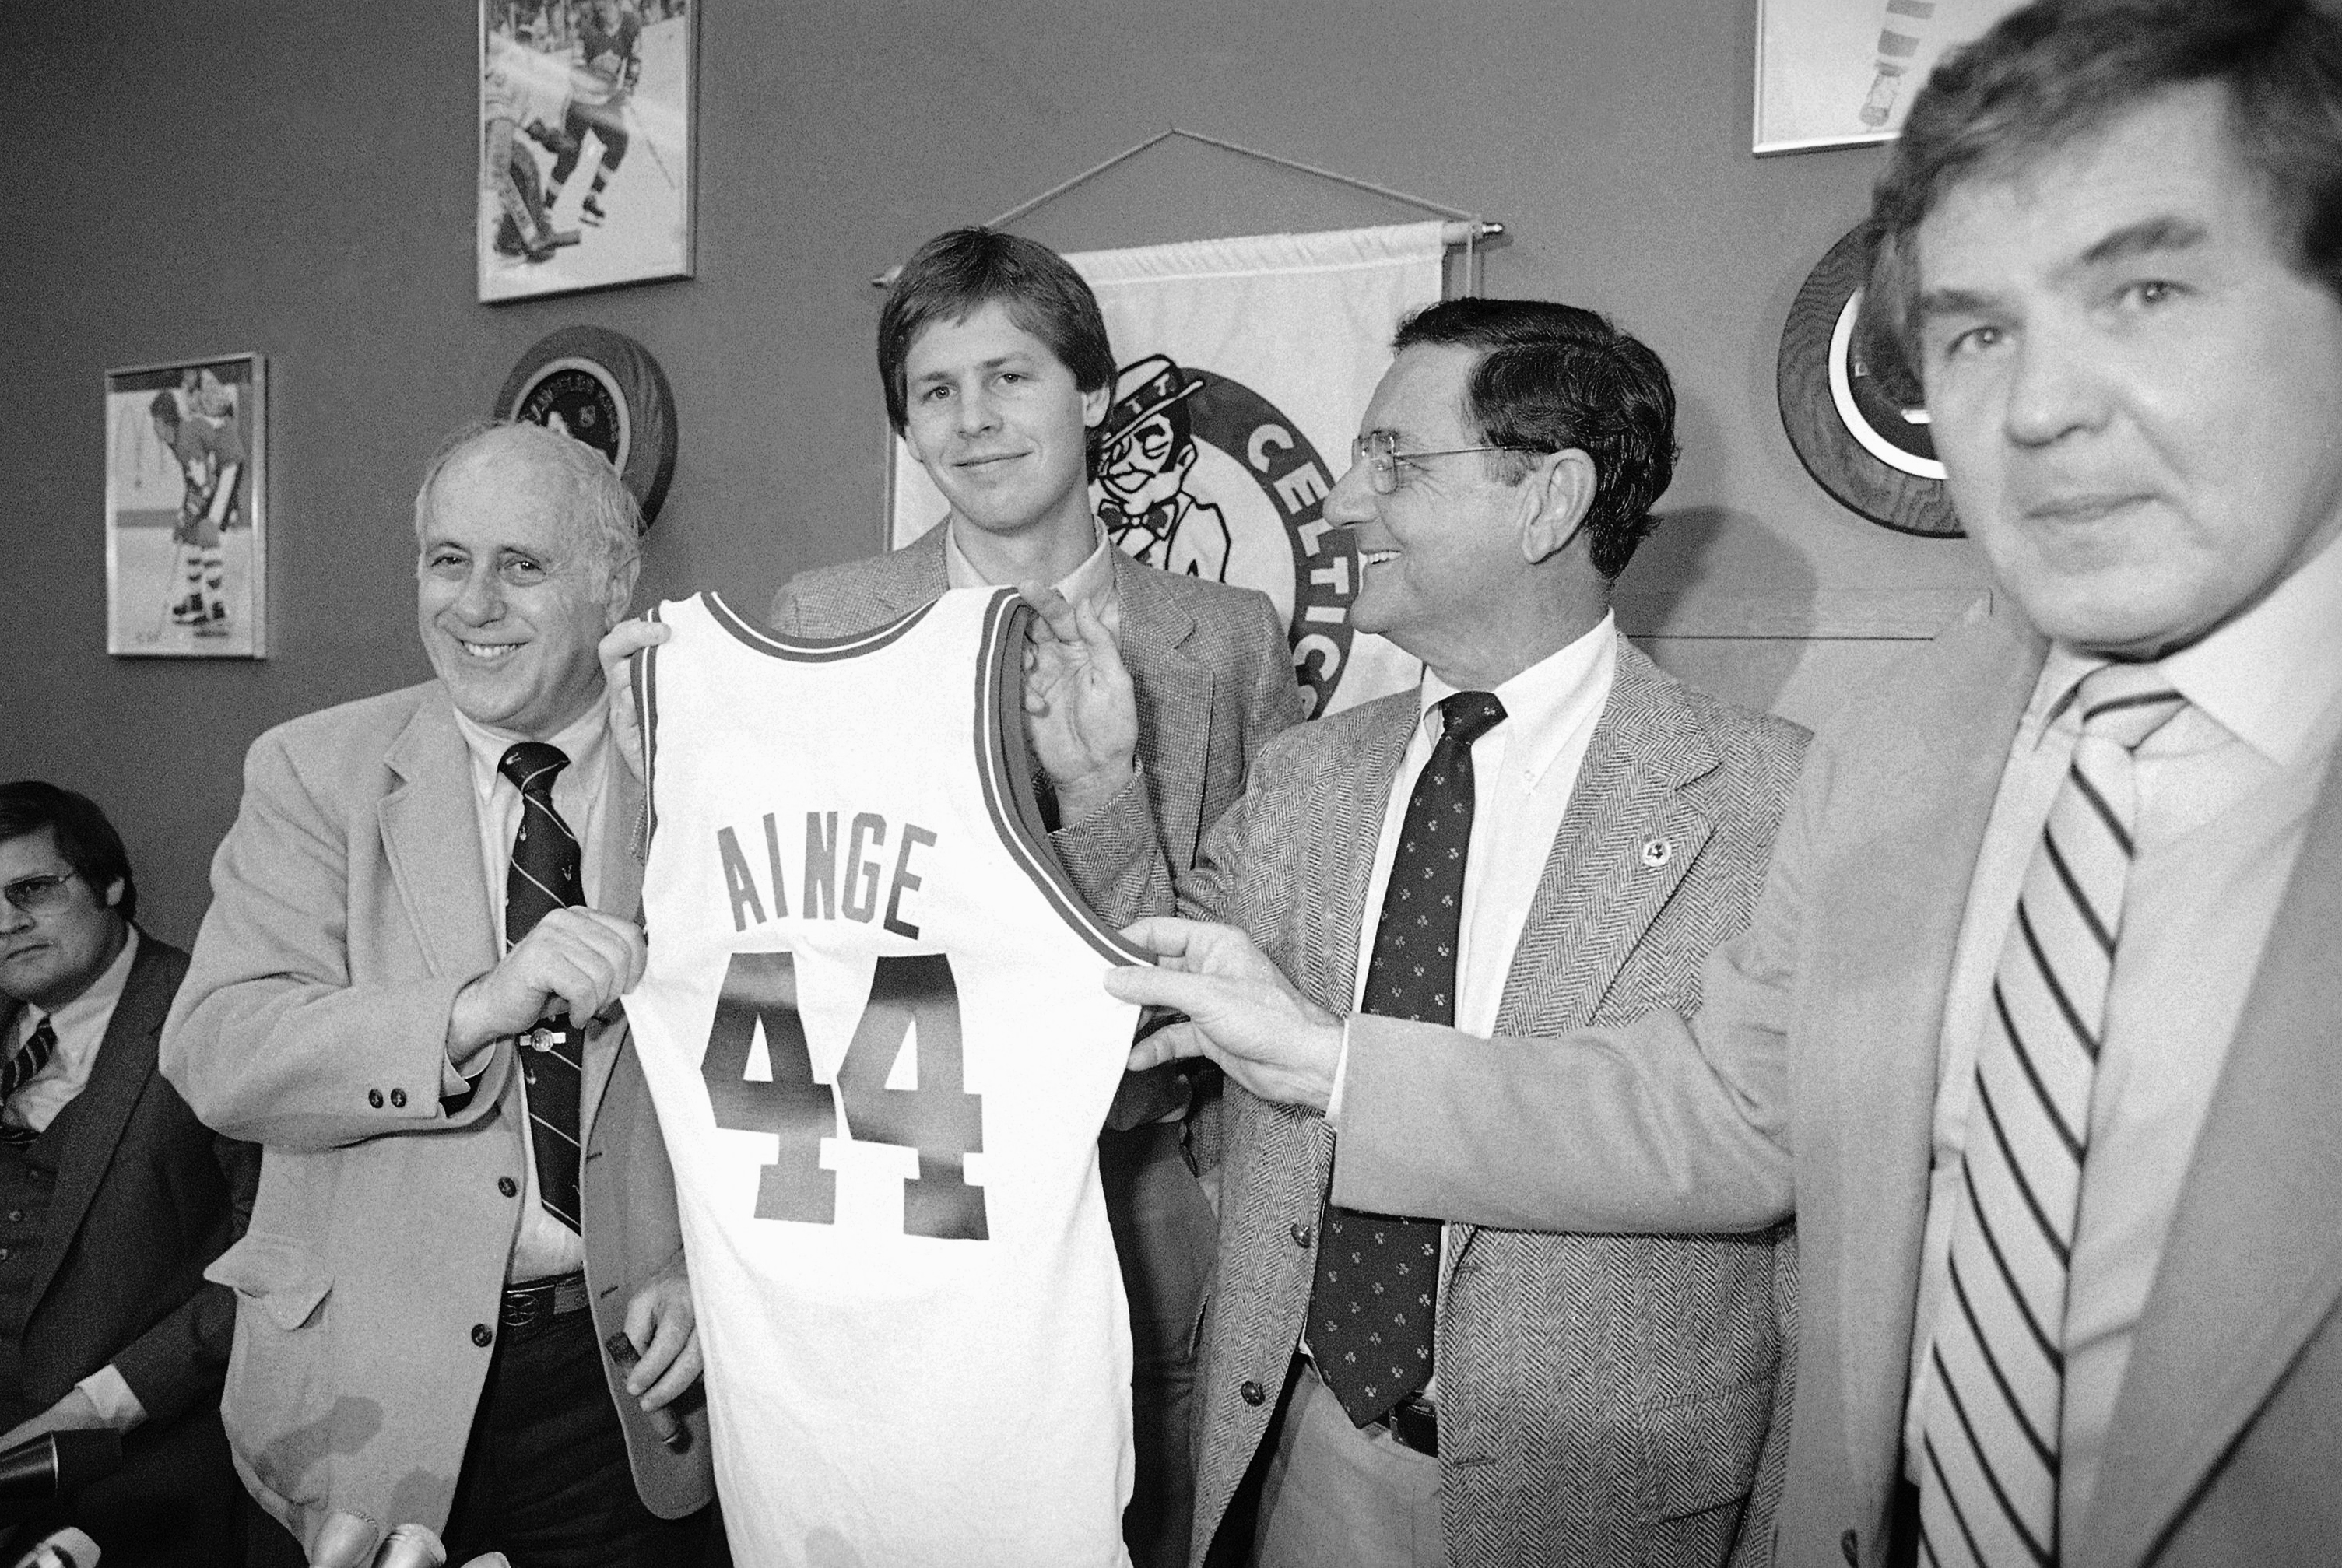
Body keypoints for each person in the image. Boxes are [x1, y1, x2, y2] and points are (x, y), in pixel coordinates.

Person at [1112, 2, 2342, 1563]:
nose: (2037, 405)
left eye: (2146, 289)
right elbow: (1729, 1107)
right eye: (1973, 331)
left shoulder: (1777, 782)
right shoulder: (1914, 748)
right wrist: (1311, 1044)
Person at [1062, 296, 1809, 1567]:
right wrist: (1095, 791)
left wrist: (1338, 1064)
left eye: (1392, 463)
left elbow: (1748, 1141)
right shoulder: (1305, 777)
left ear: (1546, 500)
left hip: (1595, 1510)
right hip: (1297, 1462)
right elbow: (1136, 1024)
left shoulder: (1767, 800)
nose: (1344, 500)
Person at [768, 226, 1304, 1568]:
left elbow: (1256, 939)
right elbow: (775, 925)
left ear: (1095, 400)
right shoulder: (818, 619)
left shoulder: (1228, 640)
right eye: (935, 391)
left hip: (1135, 1185)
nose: (973, 420)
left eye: (1009, 377)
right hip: (887, 1185)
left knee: (1148, 1525)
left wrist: (1104, 796)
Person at [161, 422, 716, 1565]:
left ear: (616, 584)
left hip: (626, 1390)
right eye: (446, 560)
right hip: (356, 1388)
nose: (474, 604)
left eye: (523, 565)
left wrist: (707, 1272)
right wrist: (468, 1007)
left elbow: (781, 1069)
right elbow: (216, 1049)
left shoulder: (711, 771)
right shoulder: (313, 770)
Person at [0, 782, 258, 1565]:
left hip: (149, 1447)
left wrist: (99, 1405)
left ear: (110, 883)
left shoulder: (215, 1017)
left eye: (32, 889)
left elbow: (274, 1261)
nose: (4, 922)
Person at [148, 391, 240, 636]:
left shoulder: (185, 440)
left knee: (206, 532)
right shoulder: (175, 439)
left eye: (155, 423)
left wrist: (190, 511)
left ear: (163, 422)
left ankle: (219, 612)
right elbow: (193, 482)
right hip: (213, 475)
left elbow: (205, 483)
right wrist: (185, 514)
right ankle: (197, 604)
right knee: (190, 532)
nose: (154, 429)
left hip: (228, 468)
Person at [547, 0, 641, 229]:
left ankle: (592, 198)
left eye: (606, 6)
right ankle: (546, 208)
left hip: (606, 103)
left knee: (619, 144)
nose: (601, 11)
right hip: (581, 102)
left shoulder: (631, 25)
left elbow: (635, 61)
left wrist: (628, 89)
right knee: (569, 158)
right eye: (598, 7)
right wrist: (606, 87)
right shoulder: (587, 31)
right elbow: (576, 72)